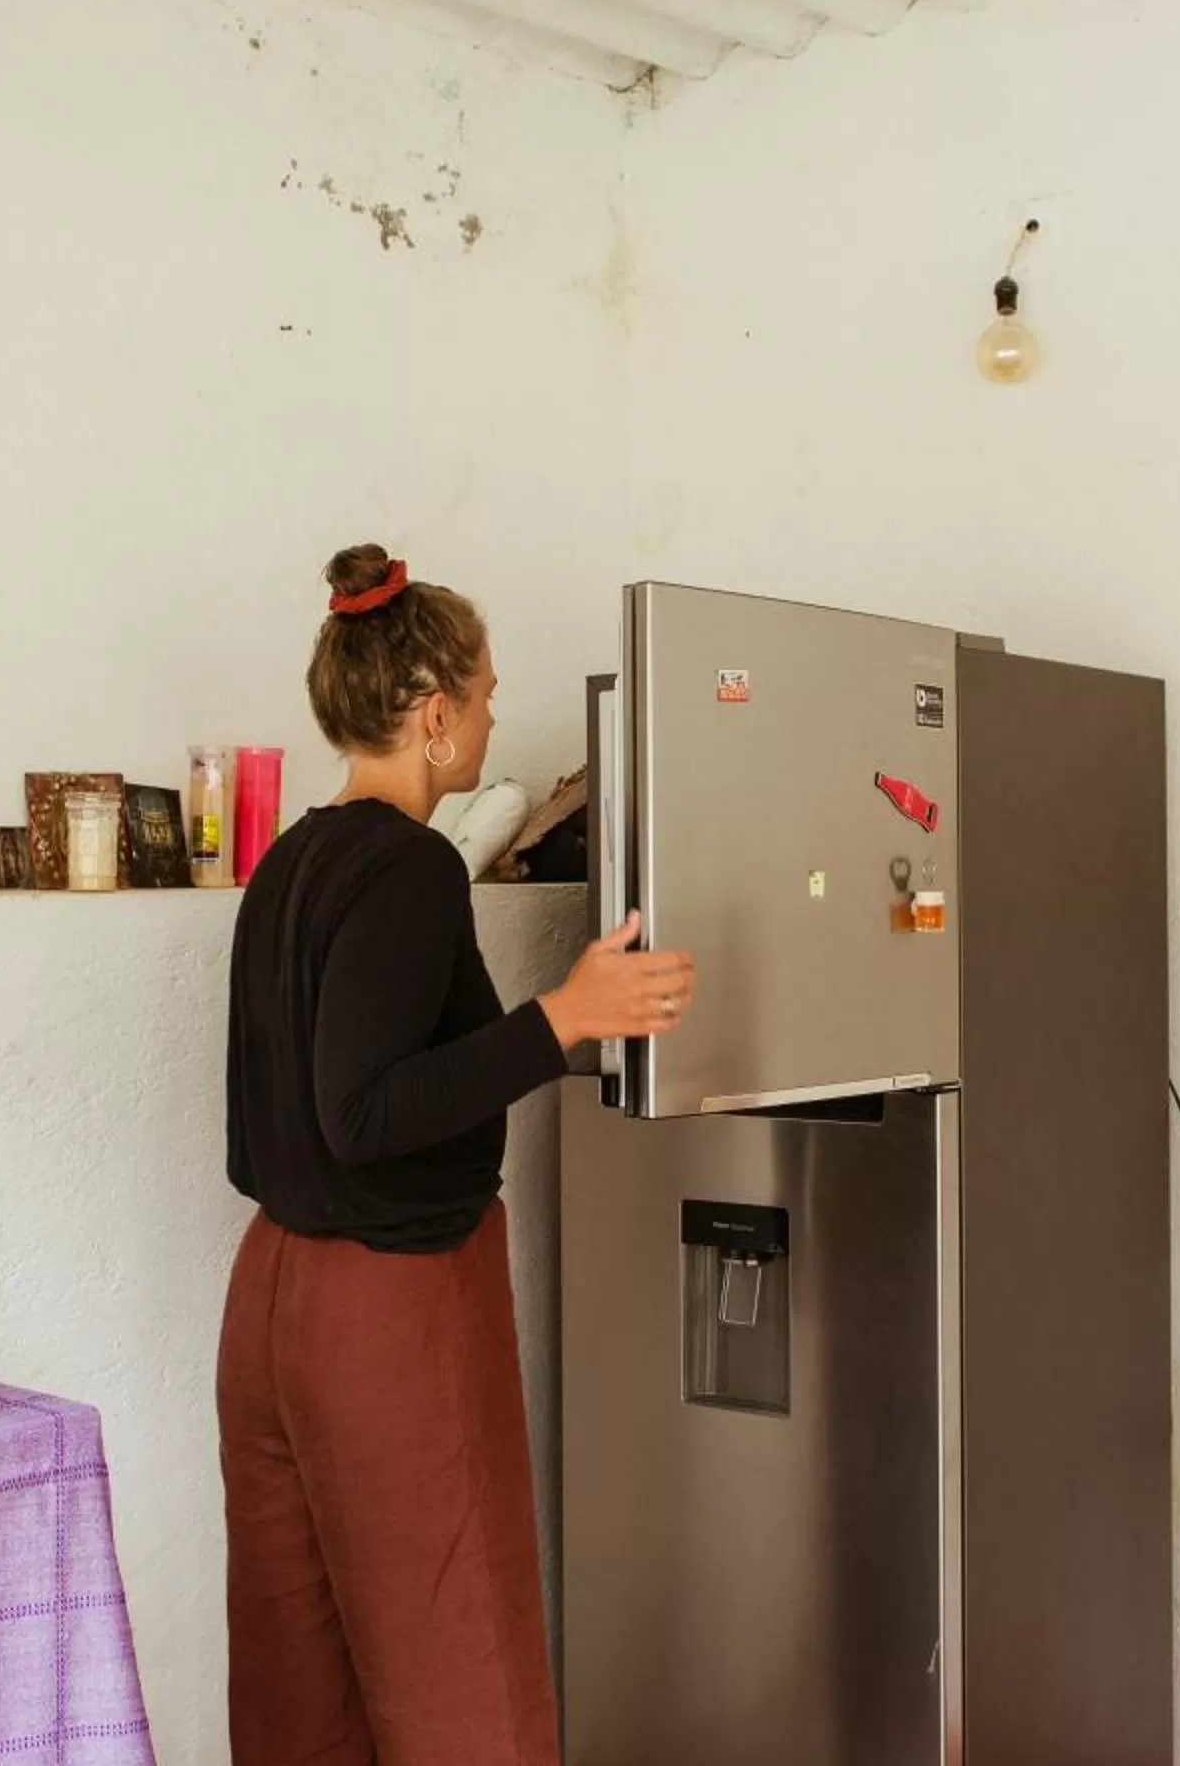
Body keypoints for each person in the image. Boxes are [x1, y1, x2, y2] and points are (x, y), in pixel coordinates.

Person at [220, 544, 697, 1766]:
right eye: (483, 693)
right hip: (391, 1308)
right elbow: (364, 1110)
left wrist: (557, 1033)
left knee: (300, 1682)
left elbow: (300, 1106)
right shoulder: (410, 867)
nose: (493, 712)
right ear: (433, 717)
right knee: (458, 1671)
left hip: (272, 1293)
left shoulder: (287, 864)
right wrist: (564, 1016)